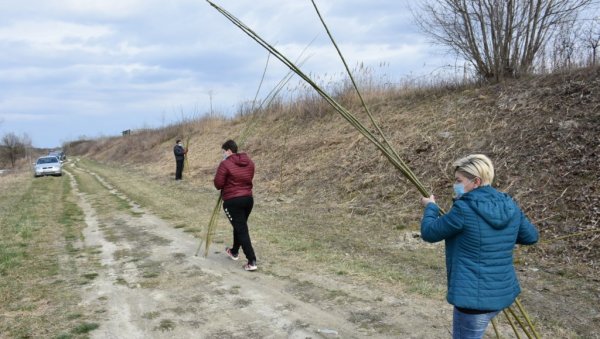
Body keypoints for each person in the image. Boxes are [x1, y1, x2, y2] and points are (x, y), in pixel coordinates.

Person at [420, 154, 539, 339]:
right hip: (503, 295)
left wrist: (431, 208)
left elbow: (429, 233)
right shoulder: (510, 204)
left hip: (472, 302)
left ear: (476, 181)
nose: (455, 185)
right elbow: (530, 236)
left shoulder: (463, 210)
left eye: (459, 180)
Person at [213, 139, 258, 271]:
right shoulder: (249, 162)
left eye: (223, 152)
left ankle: (252, 261)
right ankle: (234, 251)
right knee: (239, 226)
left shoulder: (225, 164)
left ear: (228, 151)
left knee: (241, 229)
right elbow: (248, 178)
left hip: (233, 201)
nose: (223, 154)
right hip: (248, 199)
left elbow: (218, 184)